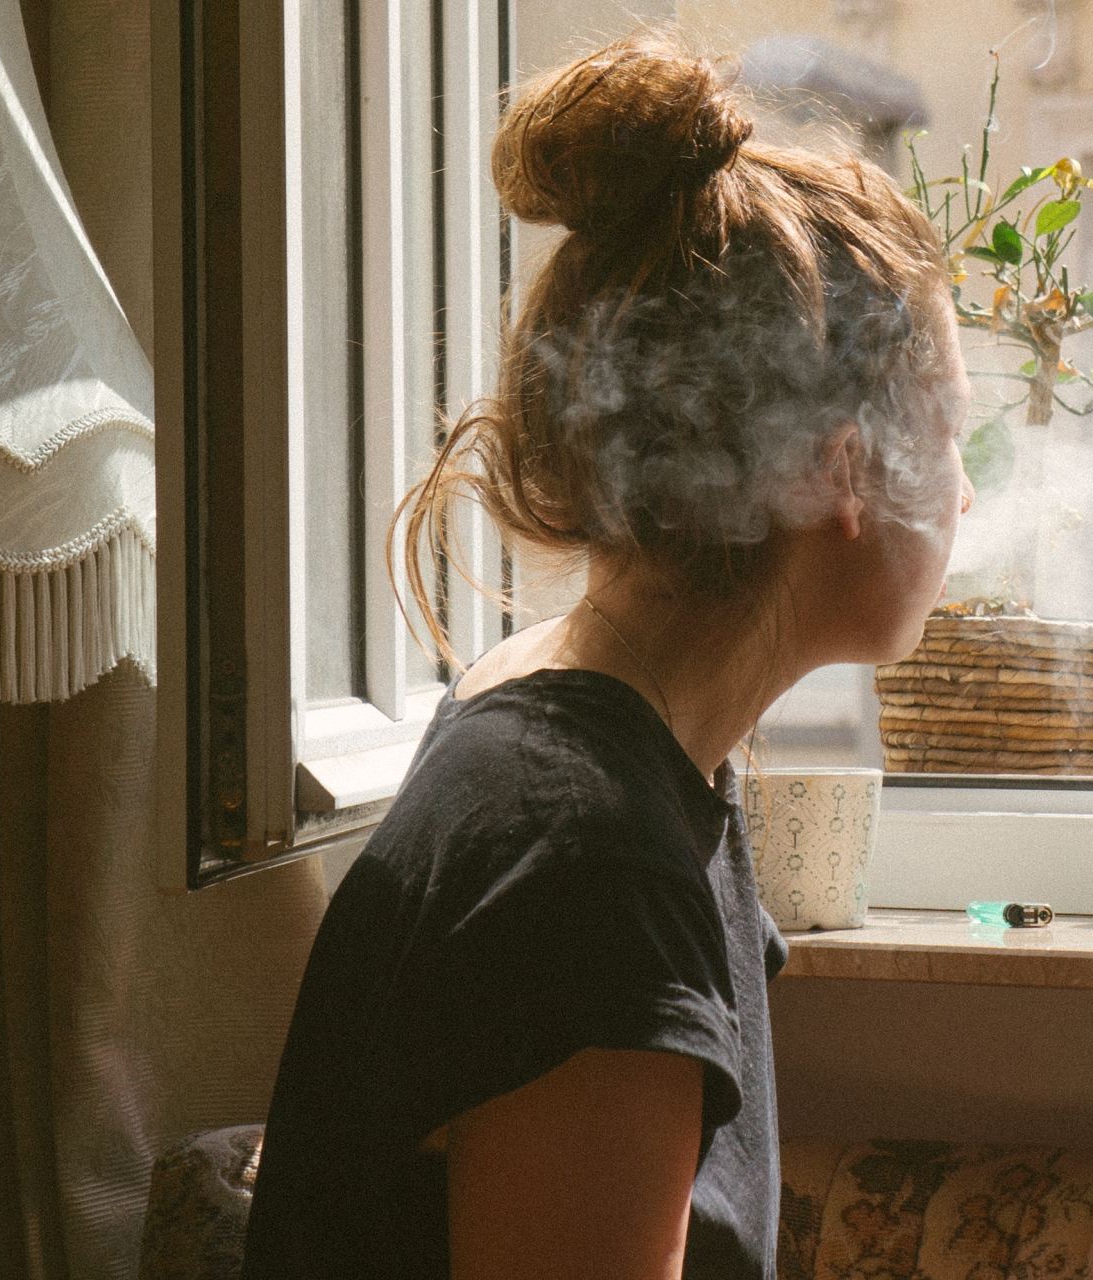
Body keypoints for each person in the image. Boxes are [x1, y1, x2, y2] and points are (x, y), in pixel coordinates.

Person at [242, 31, 974, 1280]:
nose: (965, 494)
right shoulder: (591, 870)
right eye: (957, 438)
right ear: (841, 467)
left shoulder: (605, 740)